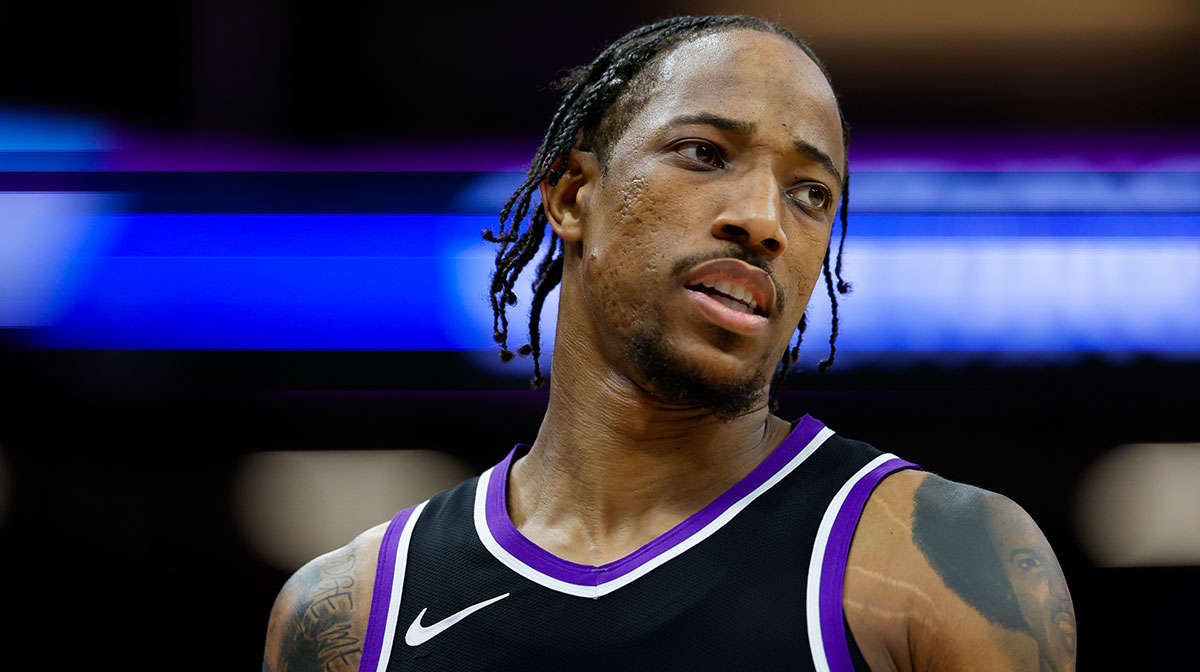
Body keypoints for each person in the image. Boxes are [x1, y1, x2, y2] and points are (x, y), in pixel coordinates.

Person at [262, 15, 1076, 672]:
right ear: (574, 194)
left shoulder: (939, 560)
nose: (762, 220)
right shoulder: (356, 608)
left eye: (810, 194)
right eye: (706, 154)